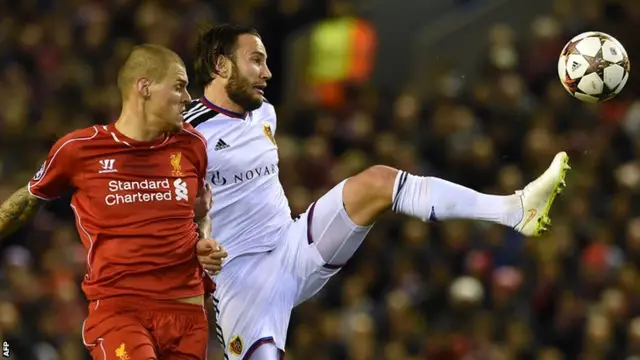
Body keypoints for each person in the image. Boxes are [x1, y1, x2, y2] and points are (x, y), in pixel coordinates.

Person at [190, 24, 570, 360]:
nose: (268, 72)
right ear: (222, 66)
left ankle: (515, 209)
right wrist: (196, 246)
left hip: (293, 243)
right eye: (256, 60)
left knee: (377, 182)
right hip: (241, 279)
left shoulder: (263, 113)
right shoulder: (186, 134)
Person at [0, 44, 227, 360]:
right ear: (144, 87)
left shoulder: (193, 146)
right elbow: (26, 203)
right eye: (179, 86)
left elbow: (198, 213)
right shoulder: (79, 150)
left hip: (187, 315)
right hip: (121, 311)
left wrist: (205, 239)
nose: (188, 98)